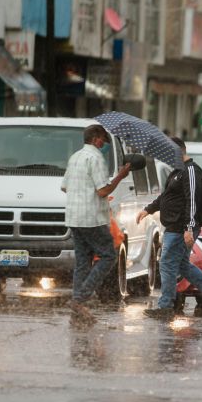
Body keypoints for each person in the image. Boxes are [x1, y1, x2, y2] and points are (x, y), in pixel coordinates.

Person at [136, 137, 202, 320]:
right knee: (181, 265)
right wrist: (148, 209)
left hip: (181, 227)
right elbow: (167, 196)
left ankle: (166, 306)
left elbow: (192, 201)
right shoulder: (178, 171)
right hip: (175, 226)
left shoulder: (191, 171)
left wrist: (189, 227)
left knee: (167, 264)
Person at [61, 124, 131, 325]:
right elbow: (102, 191)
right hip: (92, 218)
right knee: (109, 255)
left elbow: (65, 187)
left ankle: (78, 306)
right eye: (104, 141)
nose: (105, 145)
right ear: (96, 139)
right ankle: (80, 298)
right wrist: (120, 176)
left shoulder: (75, 157)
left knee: (83, 261)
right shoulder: (96, 158)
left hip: (74, 217)